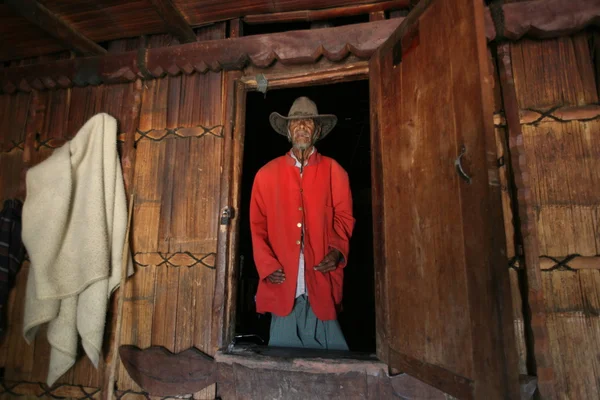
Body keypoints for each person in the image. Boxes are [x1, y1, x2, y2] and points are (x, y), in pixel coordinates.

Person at [250, 96, 355, 350]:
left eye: (308, 122)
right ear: (287, 130)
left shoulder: (335, 172)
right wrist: (266, 264)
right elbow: (257, 225)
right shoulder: (266, 175)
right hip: (284, 281)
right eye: (295, 122)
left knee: (333, 362)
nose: (301, 126)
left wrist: (337, 249)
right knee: (282, 363)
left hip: (321, 279)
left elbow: (344, 218)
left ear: (317, 130)